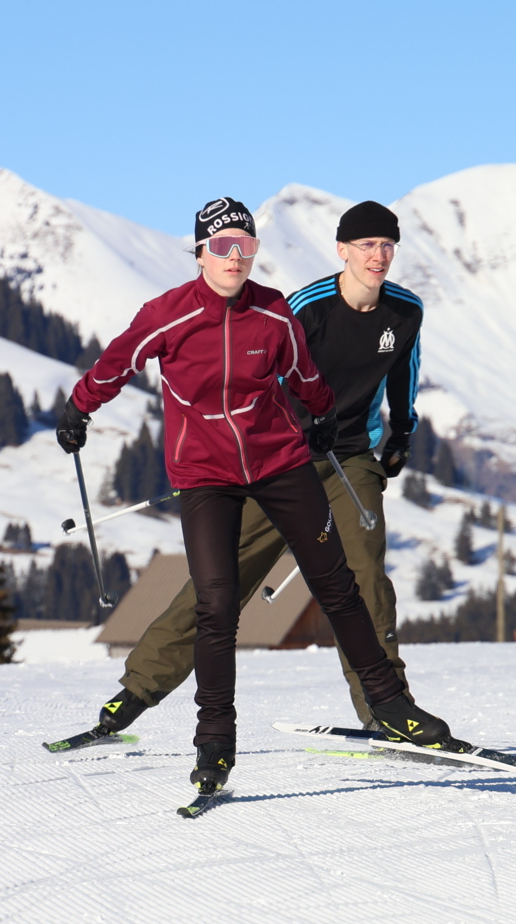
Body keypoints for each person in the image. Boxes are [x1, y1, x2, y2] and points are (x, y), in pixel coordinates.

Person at [56, 197, 466, 795]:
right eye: (366, 245)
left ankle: (386, 708)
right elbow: (255, 378)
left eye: (387, 245)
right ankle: (139, 690)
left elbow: (391, 375)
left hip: (342, 457)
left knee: (359, 579)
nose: (378, 256)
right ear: (342, 250)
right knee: (220, 591)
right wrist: (84, 408)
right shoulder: (300, 306)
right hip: (267, 457)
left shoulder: (399, 312)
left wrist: (401, 432)